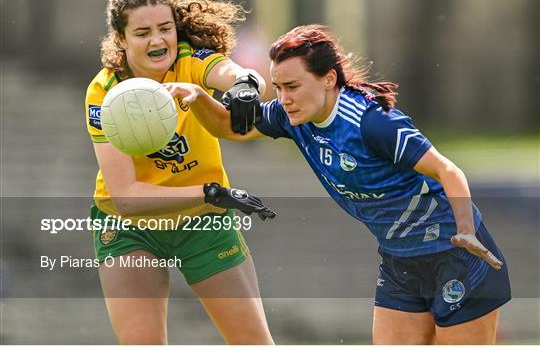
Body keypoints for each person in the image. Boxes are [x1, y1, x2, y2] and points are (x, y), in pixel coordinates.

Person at [166, 24, 512, 344]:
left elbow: (448, 171)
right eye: (280, 87)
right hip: (399, 263)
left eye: (293, 86)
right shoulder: (293, 117)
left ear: (329, 79)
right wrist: (198, 96)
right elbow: (229, 127)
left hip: (457, 254)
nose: (283, 98)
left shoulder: (371, 123)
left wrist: (465, 229)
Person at [84, 0, 275, 345]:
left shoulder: (190, 61)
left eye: (165, 28)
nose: (158, 40)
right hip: (130, 229)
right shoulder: (104, 92)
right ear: (120, 40)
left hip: (202, 224)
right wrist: (209, 192)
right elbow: (125, 197)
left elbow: (235, 72)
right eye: (142, 33)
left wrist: (247, 87)